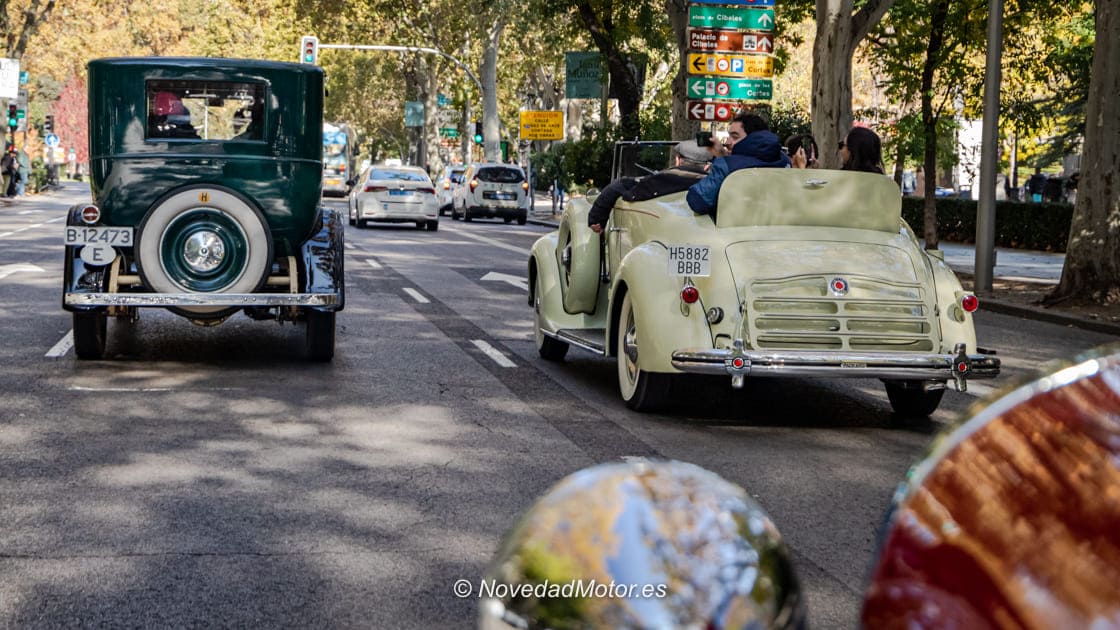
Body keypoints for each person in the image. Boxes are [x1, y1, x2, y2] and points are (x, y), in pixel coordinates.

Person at [587, 139, 713, 233]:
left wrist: (596, 219)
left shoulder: (658, 181)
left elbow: (617, 187)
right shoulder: (716, 185)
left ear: (677, 160)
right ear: (707, 166)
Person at [686, 113, 790, 216]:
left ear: (753, 138)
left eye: (734, 137)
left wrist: (723, 160)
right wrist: (724, 156)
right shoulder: (784, 160)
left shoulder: (727, 165)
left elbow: (697, 201)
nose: (727, 142)